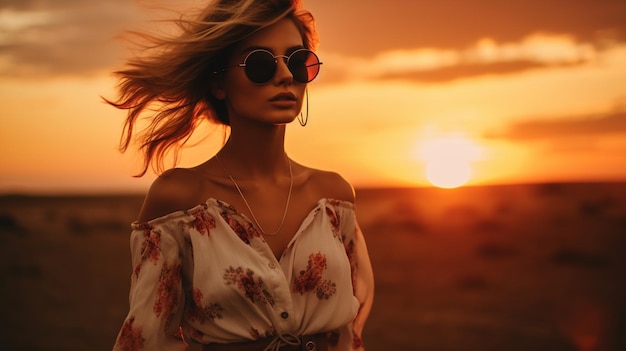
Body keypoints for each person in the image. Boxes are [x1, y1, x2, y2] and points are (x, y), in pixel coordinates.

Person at [108, 0, 374, 350]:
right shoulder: (180, 201)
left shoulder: (333, 197)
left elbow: (347, 332)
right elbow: (148, 337)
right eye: (260, 63)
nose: (284, 76)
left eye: (298, 61)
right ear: (219, 84)